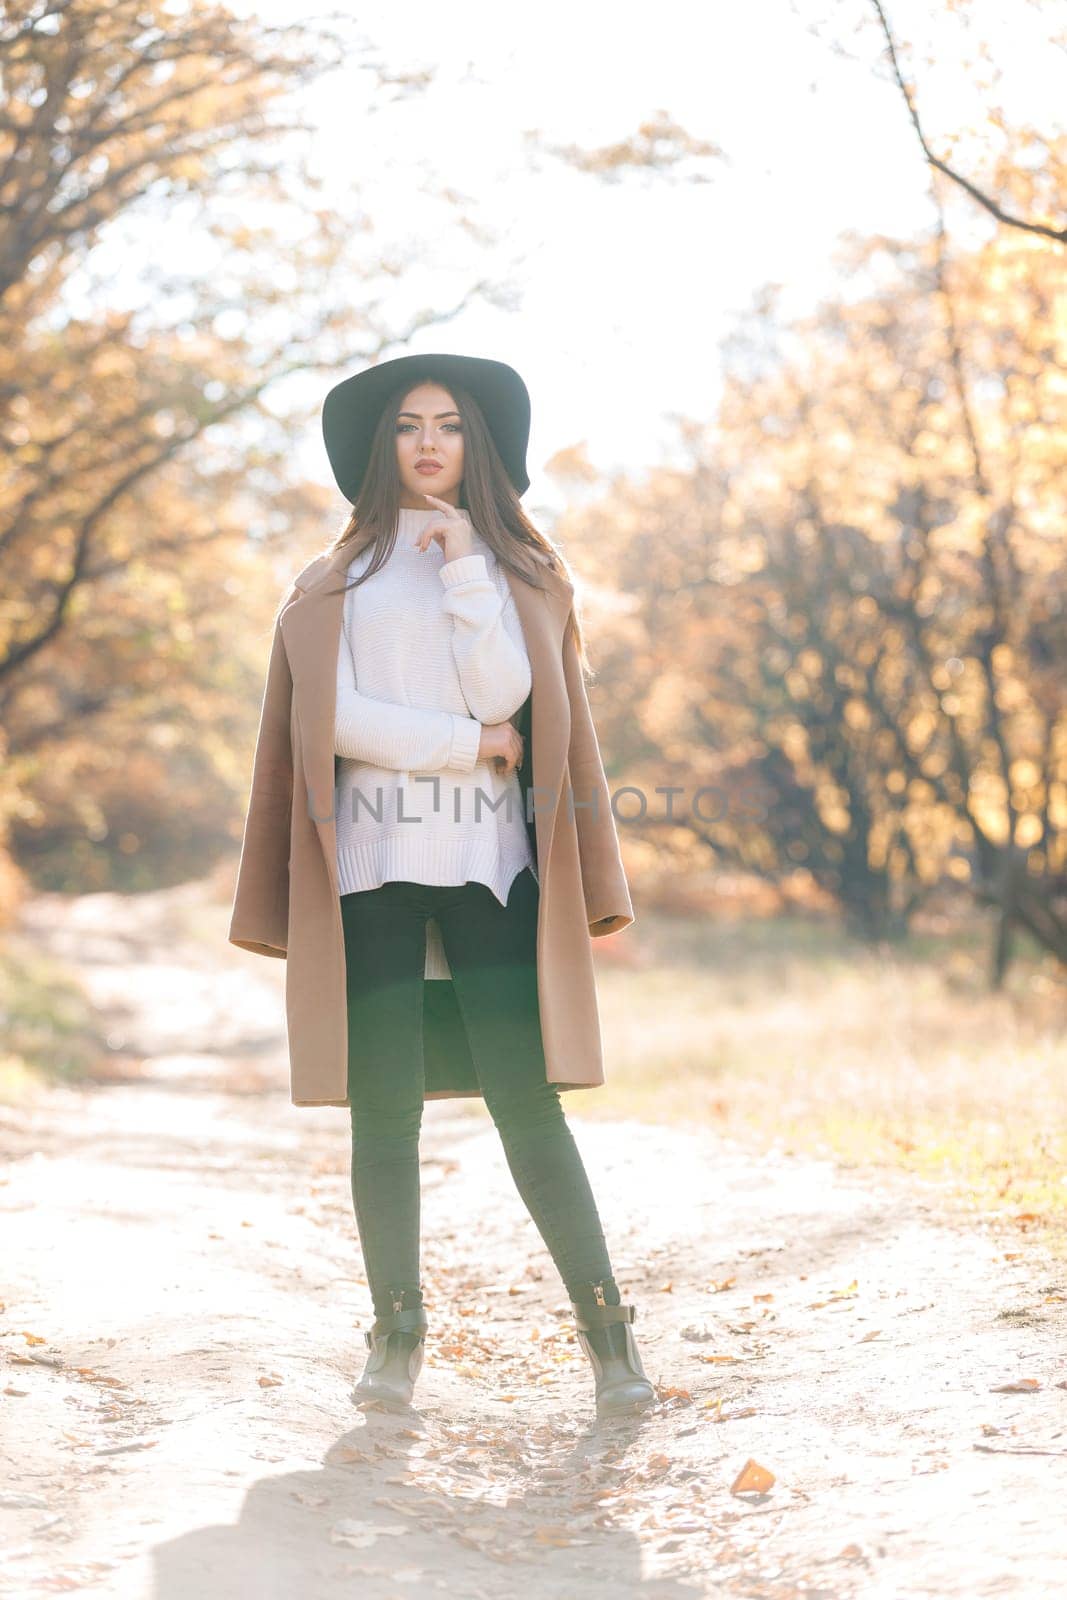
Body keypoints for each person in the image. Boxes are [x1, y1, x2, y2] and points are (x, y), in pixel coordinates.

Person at [298, 353, 654, 1420]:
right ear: (381, 445)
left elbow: (514, 690)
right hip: (369, 869)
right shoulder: (334, 582)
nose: (426, 442)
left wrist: (461, 571)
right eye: (407, 425)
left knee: (524, 1103)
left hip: (486, 870)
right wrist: (468, 741)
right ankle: (395, 1333)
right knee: (384, 1112)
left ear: (474, 444)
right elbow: (340, 720)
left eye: (447, 425)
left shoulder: (510, 570)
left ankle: (608, 1338)